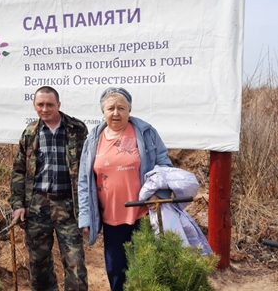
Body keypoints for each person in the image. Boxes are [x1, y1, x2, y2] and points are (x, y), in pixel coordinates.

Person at [77, 87, 173, 291]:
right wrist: (85, 216)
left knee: (148, 271)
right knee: (116, 273)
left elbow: (164, 163)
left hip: (144, 214)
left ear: (129, 110)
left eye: (122, 107)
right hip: (112, 218)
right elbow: (84, 182)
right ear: (103, 111)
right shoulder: (93, 139)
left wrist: (161, 193)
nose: (116, 113)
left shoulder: (145, 132)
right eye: (110, 108)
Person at [9, 86, 88, 291]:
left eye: (49, 104)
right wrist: (18, 204)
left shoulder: (77, 129)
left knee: (75, 263)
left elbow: (89, 170)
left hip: (69, 206)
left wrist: (89, 210)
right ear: (34, 106)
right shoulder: (30, 133)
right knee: (39, 263)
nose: (45, 109)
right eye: (40, 104)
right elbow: (18, 171)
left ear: (58, 105)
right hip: (37, 206)